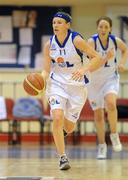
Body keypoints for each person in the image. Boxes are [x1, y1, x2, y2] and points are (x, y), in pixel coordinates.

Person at [41, 12, 112, 170]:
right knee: (57, 118)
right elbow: (46, 70)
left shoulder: (76, 40)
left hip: (77, 86)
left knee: (70, 127)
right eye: (54, 22)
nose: (56, 25)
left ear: (67, 25)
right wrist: (39, 79)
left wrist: (84, 69)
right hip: (57, 84)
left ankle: (61, 134)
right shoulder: (48, 45)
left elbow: (97, 58)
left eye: (59, 22)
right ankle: (62, 157)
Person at [87, 16, 128, 159]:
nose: (103, 29)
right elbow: (90, 68)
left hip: (110, 78)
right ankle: (102, 145)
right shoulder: (91, 43)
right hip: (93, 82)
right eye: (101, 26)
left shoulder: (115, 41)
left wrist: (122, 63)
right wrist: (105, 58)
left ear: (110, 29)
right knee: (98, 116)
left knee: (111, 103)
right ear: (97, 28)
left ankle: (114, 135)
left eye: (106, 27)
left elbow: (125, 50)